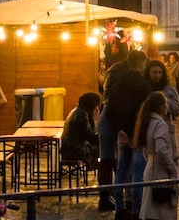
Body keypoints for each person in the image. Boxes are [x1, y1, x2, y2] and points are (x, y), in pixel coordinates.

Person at [109, 49, 151, 220]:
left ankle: (119, 206)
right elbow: (144, 112)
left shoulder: (118, 82)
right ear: (141, 63)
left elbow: (111, 107)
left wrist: (120, 129)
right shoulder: (143, 85)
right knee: (137, 172)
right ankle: (136, 208)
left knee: (120, 170)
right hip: (136, 133)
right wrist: (136, 134)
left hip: (122, 134)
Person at [96, 40, 130, 211]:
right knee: (108, 160)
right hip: (110, 118)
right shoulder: (121, 71)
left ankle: (107, 197)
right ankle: (106, 198)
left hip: (107, 117)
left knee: (107, 160)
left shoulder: (113, 70)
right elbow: (111, 102)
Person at [135, 91, 178, 220]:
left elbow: (145, 148)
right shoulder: (160, 125)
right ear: (161, 106)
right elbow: (161, 148)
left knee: (150, 208)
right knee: (162, 210)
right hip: (161, 171)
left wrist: (149, 158)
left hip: (150, 167)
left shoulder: (147, 122)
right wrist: (171, 166)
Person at [61, 91, 101, 163]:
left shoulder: (77, 111)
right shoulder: (82, 115)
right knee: (105, 148)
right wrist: (95, 121)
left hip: (69, 148)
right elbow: (90, 136)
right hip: (76, 151)